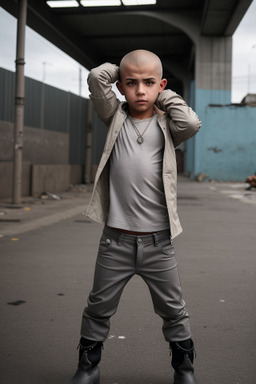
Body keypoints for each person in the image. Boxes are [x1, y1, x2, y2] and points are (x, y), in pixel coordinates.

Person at [68, 49, 201, 384]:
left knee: (174, 310)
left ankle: (184, 369)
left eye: (149, 83)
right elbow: (97, 79)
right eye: (131, 83)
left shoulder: (169, 126)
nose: (140, 90)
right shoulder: (114, 116)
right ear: (122, 87)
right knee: (98, 307)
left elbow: (192, 122)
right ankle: (88, 367)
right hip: (115, 242)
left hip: (159, 243)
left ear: (161, 85)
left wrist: (163, 94)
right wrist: (122, 68)